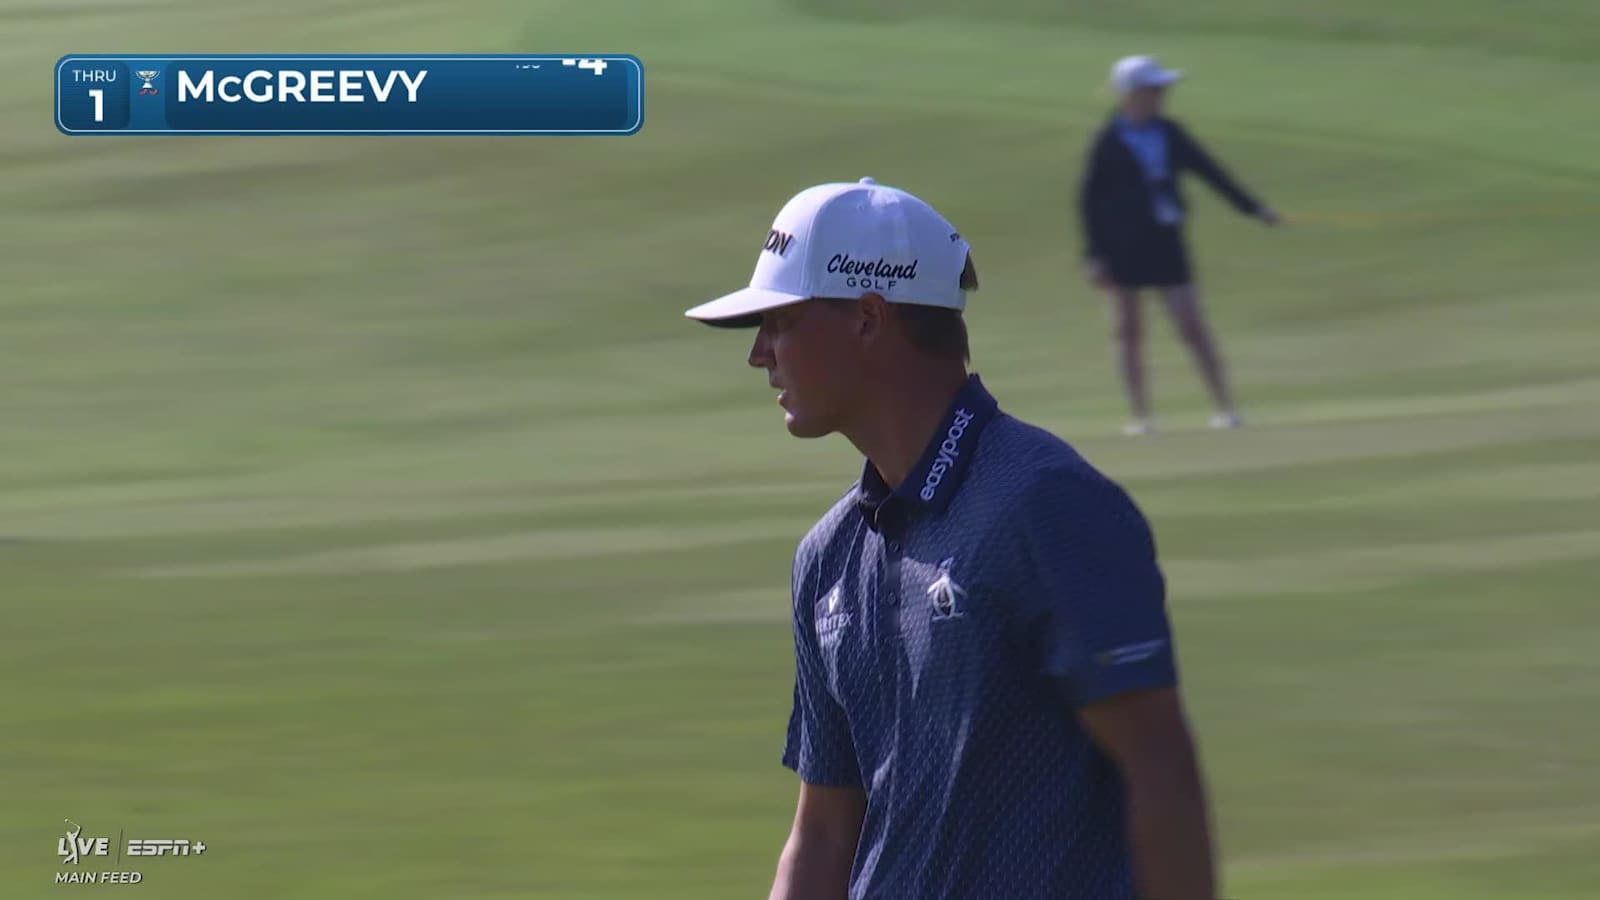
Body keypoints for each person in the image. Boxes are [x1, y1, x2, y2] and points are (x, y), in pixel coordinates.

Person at [685, 177, 1221, 899]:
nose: (759, 354)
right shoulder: (827, 559)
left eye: (779, 321)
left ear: (868, 318)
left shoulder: (1049, 504)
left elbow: (1159, 772)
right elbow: (823, 833)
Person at [1079, 54, 1282, 436]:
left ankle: (1225, 408)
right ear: (1130, 95)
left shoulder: (1170, 133)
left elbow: (1211, 172)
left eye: (1161, 90)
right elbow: (1089, 201)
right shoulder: (1107, 140)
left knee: (1191, 324)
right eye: (1153, 90)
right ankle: (1140, 417)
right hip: (1121, 247)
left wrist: (1253, 209)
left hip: (1165, 241)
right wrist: (1093, 255)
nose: (1160, 96)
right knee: (1127, 330)